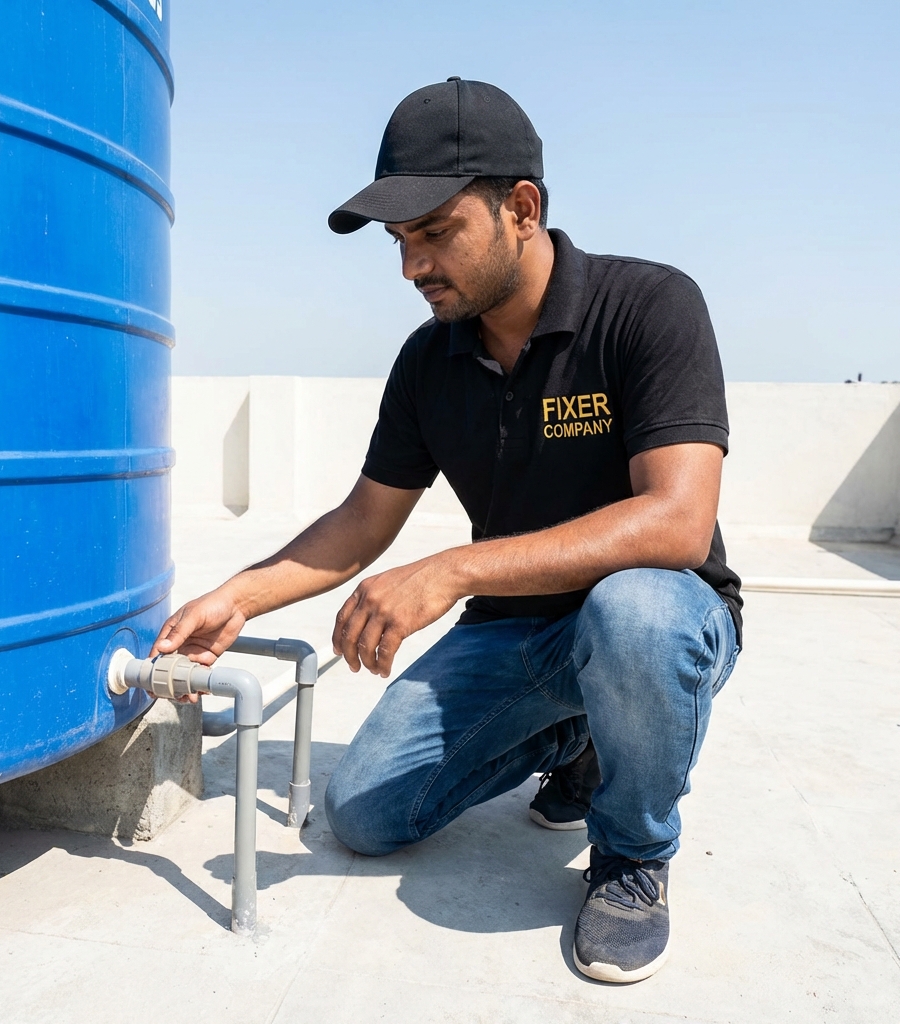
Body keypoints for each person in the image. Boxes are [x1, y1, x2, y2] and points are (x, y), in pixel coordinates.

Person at [151, 78, 742, 984]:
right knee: (361, 815)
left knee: (635, 618)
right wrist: (234, 597)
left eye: (434, 233)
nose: (410, 267)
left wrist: (454, 569)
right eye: (399, 241)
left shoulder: (649, 306)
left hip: (656, 614)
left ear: (521, 208)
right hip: (513, 632)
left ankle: (631, 857)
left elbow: (678, 521)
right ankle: (576, 739)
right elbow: (362, 520)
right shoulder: (432, 358)